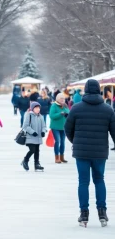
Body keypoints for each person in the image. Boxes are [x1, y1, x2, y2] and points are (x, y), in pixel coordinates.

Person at [64, 79, 115, 227]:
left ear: (85, 90)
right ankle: (102, 211)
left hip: (82, 152)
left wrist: (76, 141)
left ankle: (84, 213)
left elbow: (68, 128)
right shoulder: (107, 109)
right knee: (99, 180)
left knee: (83, 182)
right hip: (100, 152)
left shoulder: (76, 108)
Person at [21, 102, 46, 172]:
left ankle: (37, 164)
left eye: (39, 108)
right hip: (30, 137)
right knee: (32, 150)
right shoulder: (29, 115)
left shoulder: (40, 116)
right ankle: (25, 160)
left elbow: (44, 126)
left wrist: (43, 131)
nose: (38, 109)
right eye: (36, 108)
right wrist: (32, 132)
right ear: (32, 109)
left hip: (38, 138)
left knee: (37, 151)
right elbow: (25, 126)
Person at [49, 93, 70, 164]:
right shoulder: (54, 105)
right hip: (55, 127)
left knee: (63, 142)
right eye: (61, 99)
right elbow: (52, 116)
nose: (62, 100)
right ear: (57, 99)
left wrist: (67, 114)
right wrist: (60, 114)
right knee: (57, 141)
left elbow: (69, 113)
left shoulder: (65, 105)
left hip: (63, 127)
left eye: (63, 99)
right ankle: (57, 157)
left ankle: (62, 157)